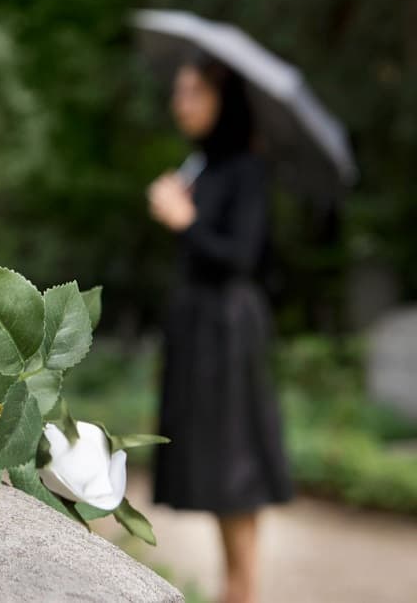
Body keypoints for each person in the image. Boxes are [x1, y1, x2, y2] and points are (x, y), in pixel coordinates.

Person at [147, 50, 293, 603]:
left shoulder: (247, 168)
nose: (179, 103)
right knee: (213, 465)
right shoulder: (202, 165)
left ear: (223, 101)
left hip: (227, 330)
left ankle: (243, 589)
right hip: (198, 325)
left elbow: (241, 257)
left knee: (234, 468)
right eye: (179, 92)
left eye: (193, 93)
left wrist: (185, 220)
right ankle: (235, 587)